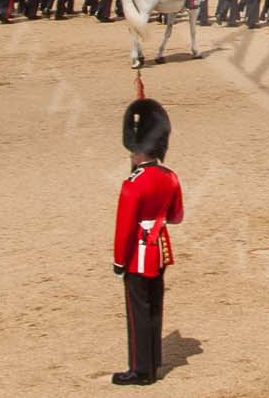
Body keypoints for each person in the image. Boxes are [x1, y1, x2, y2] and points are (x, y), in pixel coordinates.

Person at [112, 96, 184, 386]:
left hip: (138, 254)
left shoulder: (133, 183)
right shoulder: (170, 177)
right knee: (155, 306)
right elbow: (176, 216)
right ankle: (154, 360)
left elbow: (124, 229)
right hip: (160, 249)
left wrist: (119, 261)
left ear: (137, 150)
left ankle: (141, 370)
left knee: (139, 311)